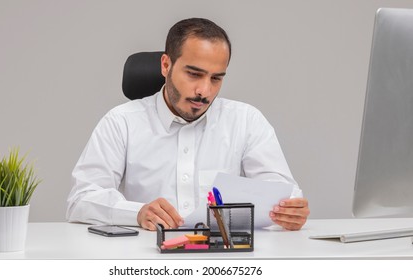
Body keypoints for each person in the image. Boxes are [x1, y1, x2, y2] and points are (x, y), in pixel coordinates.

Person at [66, 18, 310, 231]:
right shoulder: (121, 122)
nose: (204, 91)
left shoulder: (247, 121)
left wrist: (291, 211)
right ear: (165, 65)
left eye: (216, 78)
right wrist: (137, 213)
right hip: (145, 261)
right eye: (194, 74)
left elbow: (283, 192)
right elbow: (81, 200)